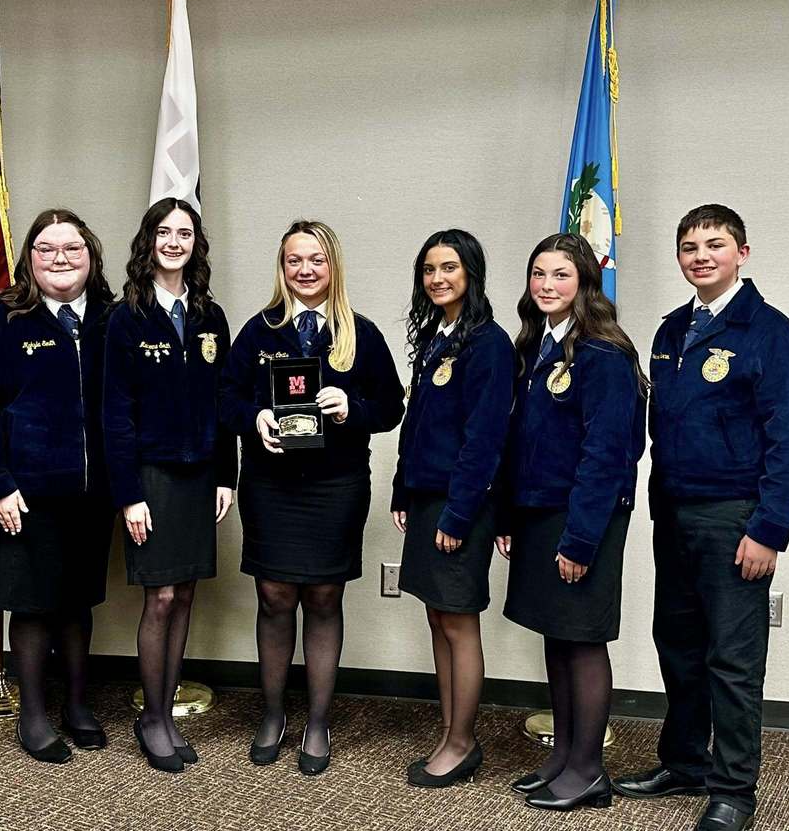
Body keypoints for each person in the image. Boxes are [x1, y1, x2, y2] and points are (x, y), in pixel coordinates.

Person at [612, 205, 789, 831]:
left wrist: (770, 530)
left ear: (742, 254)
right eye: (689, 246)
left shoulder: (771, 334)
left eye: (715, 245)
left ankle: (732, 791)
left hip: (735, 519)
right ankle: (685, 762)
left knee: (733, 659)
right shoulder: (671, 330)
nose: (701, 255)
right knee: (679, 645)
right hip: (673, 511)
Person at [220, 220, 404, 775]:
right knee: (274, 597)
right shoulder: (259, 331)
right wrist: (254, 419)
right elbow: (223, 399)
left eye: (316, 260)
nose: (305, 270)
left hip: (335, 486)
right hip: (271, 487)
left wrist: (352, 408)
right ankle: (273, 714)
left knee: (324, 599)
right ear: (283, 267)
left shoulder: (360, 333)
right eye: (295, 260)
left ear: (333, 266)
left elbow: (391, 406)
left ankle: (318, 721)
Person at [0, 208, 116, 764]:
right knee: (30, 605)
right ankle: (33, 716)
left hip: (91, 491)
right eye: (47, 249)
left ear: (90, 256)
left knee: (77, 602)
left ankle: (76, 705)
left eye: (72, 249)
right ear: (29, 259)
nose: (60, 259)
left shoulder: (108, 319)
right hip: (22, 494)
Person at [498, 232, 647, 811]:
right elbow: (523, 444)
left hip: (584, 519)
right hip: (540, 515)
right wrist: (511, 515)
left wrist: (581, 538)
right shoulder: (536, 347)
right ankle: (562, 755)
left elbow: (607, 456)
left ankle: (588, 769)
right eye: (538, 274)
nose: (547, 285)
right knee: (557, 638)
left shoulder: (603, 356)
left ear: (584, 283)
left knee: (582, 641)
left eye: (561, 275)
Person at [103, 198, 236, 773]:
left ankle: (165, 707)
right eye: (165, 232)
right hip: (151, 476)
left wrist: (226, 475)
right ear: (148, 241)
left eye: (185, 233)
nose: (174, 242)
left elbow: (224, 404)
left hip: (200, 474)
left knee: (184, 593)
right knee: (158, 595)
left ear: (196, 243)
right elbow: (114, 413)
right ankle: (151, 717)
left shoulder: (210, 315)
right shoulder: (124, 316)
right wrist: (129, 493)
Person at [390, 229, 514, 787]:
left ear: (471, 273)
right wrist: (401, 487)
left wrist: (458, 514)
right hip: (428, 498)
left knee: (459, 622)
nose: (438, 279)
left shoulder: (487, 342)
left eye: (449, 268)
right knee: (438, 615)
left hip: (460, 503)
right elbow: (419, 425)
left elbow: (484, 440)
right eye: (429, 270)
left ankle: (462, 743)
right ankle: (449, 731)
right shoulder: (440, 334)